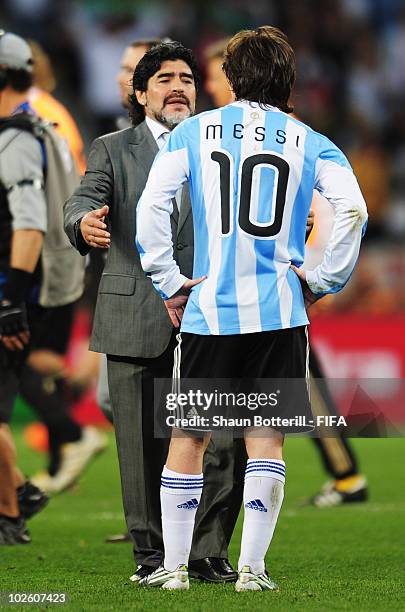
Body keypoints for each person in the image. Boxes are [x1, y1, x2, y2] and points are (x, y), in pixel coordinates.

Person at [136, 25, 368, 591]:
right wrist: (320, 279)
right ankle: (252, 570)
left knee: (190, 438)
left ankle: (171, 571)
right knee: (266, 437)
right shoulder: (310, 140)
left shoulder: (191, 133)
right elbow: (354, 211)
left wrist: (170, 280)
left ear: (232, 77)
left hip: (210, 309)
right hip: (279, 311)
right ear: (287, 79)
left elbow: (151, 209)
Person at [64, 41, 239, 583]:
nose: (178, 86)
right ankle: (154, 557)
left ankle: (208, 553)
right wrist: (81, 224)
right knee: (139, 450)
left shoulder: (222, 146)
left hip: (211, 316)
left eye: (187, 77)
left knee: (220, 445)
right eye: (164, 78)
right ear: (140, 95)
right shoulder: (113, 148)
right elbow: (81, 199)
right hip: (135, 314)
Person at [204, 37, 369, 508]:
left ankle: (345, 474)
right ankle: (341, 472)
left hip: (273, 280)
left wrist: (316, 273)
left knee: (298, 381)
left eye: (218, 71)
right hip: (252, 283)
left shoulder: (281, 131)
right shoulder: (224, 130)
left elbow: (321, 207)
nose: (211, 82)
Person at [0, 30, 49, 544]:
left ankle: (10, 517)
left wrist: (11, 299)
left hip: (5, 291)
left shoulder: (14, 139)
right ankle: (19, 491)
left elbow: (30, 224)